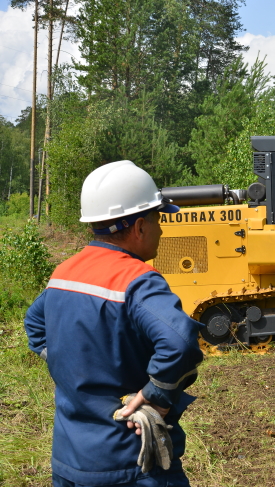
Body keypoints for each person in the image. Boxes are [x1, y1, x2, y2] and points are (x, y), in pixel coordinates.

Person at [24, 160, 204, 487]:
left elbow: (35, 325)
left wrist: (69, 366)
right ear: (139, 227)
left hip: (69, 461)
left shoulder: (63, 274)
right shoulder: (138, 282)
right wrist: (156, 395)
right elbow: (180, 341)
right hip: (131, 465)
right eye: (158, 219)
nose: (162, 230)